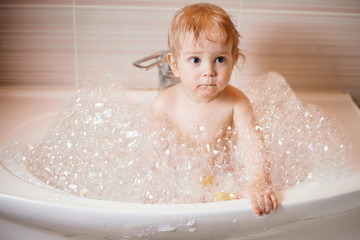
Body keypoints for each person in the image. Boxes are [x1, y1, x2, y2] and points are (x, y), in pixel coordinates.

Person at [151, 3, 278, 216]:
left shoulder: (237, 102)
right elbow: (156, 159)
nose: (208, 71)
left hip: (224, 176)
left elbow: (253, 147)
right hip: (182, 179)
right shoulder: (164, 104)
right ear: (174, 64)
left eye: (219, 59)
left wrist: (258, 181)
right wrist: (166, 190)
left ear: (234, 60)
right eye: (195, 60)